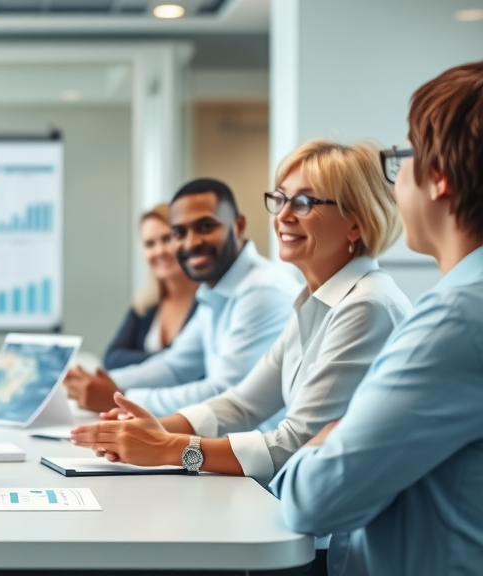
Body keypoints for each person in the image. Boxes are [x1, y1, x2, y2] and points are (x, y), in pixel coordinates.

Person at [70, 140, 409, 491]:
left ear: (356, 223)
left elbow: (294, 445)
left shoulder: (366, 306)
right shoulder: (315, 300)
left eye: (305, 202)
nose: (283, 216)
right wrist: (152, 427)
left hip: (338, 528)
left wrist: (169, 448)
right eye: (280, 199)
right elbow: (242, 403)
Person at [271, 61, 483, 576]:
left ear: (438, 178)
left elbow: (313, 499)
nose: (395, 178)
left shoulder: (456, 318)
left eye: (403, 154)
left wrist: (329, 439)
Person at [64, 178, 300, 417]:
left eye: (206, 227)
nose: (191, 242)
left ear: (238, 226)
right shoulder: (216, 289)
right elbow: (174, 366)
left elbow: (223, 394)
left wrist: (120, 399)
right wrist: (101, 382)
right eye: (179, 232)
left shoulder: (261, 290)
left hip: (268, 449)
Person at [103, 204, 198, 370]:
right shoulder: (145, 304)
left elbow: (200, 365)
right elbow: (112, 358)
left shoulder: (208, 301)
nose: (159, 251)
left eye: (167, 239)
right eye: (149, 244)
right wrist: (173, 358)